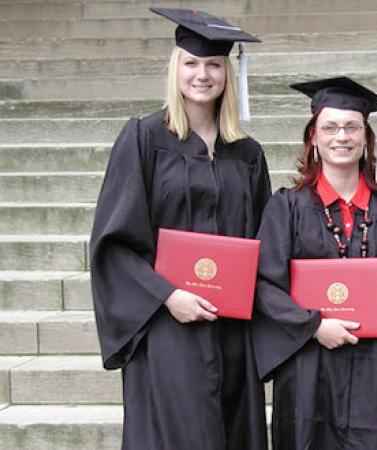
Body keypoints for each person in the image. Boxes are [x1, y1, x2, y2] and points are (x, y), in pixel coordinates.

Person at [90, 8, 269, 449]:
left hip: (232, 329)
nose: (202, 75)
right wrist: (169, 296)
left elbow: (265, 244)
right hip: (166, 326)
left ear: (227, 73)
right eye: (191, 63)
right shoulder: (143, 138)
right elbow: (113, 243)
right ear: (176, 69)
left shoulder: (247, 154)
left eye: (212, 64)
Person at [250, 77, 377, 450]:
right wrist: (313, 326)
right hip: (309, 368)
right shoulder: (286, 208)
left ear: (366, 138)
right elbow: (263, 284)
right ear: (313, 137)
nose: (341, 136)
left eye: (351, 127)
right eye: (329, 127)